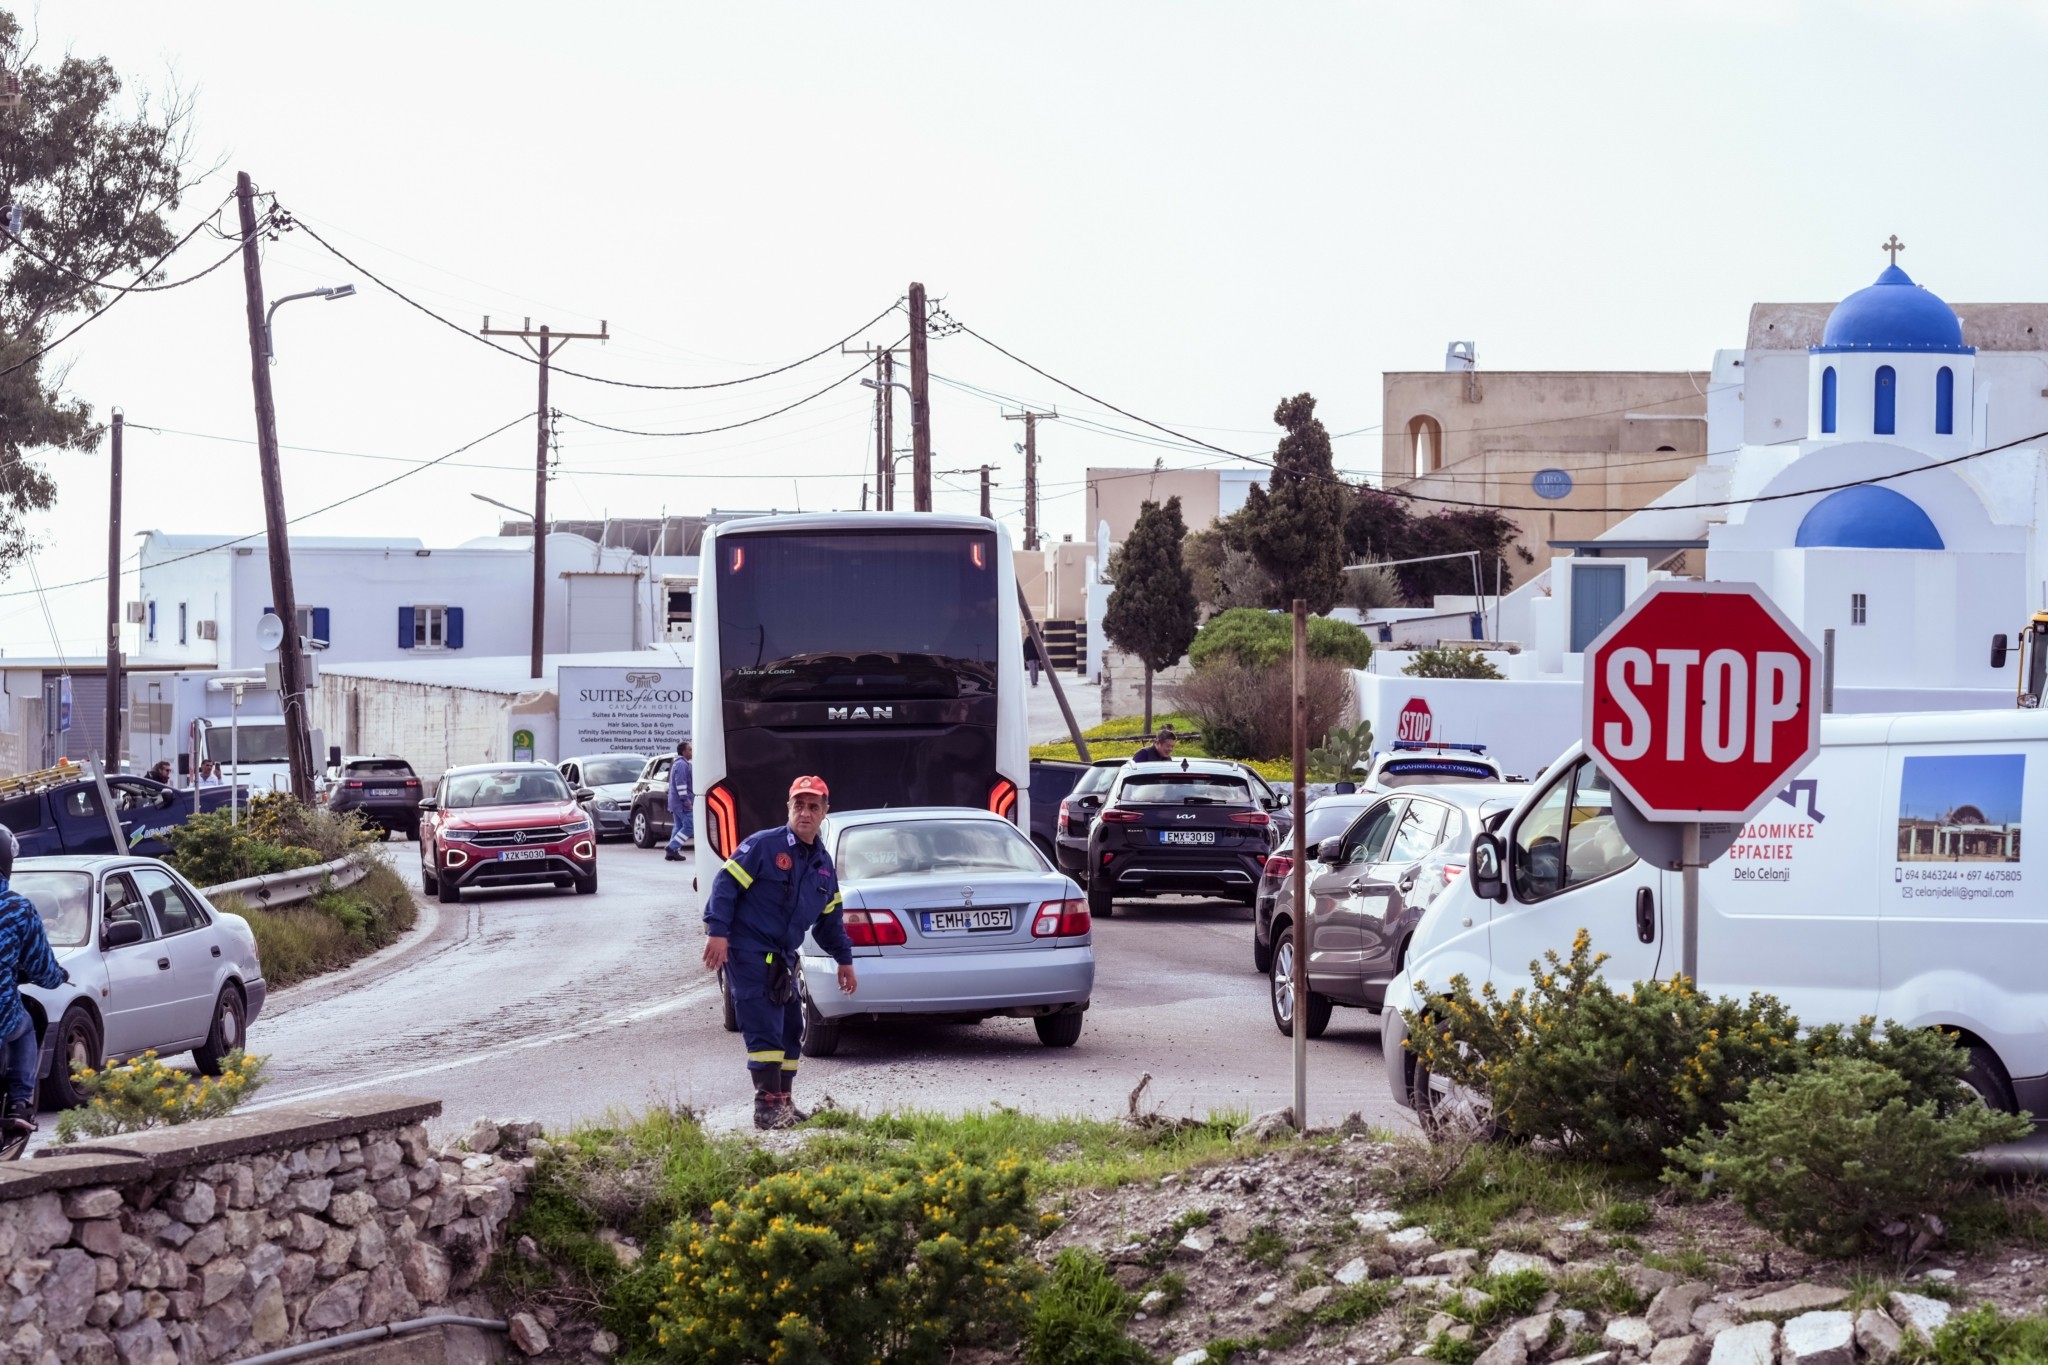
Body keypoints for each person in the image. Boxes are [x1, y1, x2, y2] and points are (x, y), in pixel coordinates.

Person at [701, 776, 857, 1129]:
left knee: (791, 1026)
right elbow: (725, 885)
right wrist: (718, 932)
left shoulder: (822, 864)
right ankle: (767, 1107)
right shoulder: (763, 846)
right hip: (748, 949)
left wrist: (844, 960)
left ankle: (784, 1102)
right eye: (798, 805)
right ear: (788, 808)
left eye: (813, 806)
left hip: (783, 956)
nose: (805, 812)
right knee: (764, 1027)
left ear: (824, 812)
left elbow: (829, 921)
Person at [0, 825, 64, 1142]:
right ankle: (19, 1104)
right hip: (3, 1014)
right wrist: (59, 976)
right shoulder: (18, 908)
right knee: (26, 1022)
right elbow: (43, 971)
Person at [664, 741, 694, 861]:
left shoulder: (678, 763)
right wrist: (686, 800)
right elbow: (681, 784)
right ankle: (672, 847)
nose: (691, 751)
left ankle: (672, 852)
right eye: (690, 749)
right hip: (681, 803)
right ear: (684, 752)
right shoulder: (682, 765)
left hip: (675, 802)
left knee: (678, 826)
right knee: (689, 826)